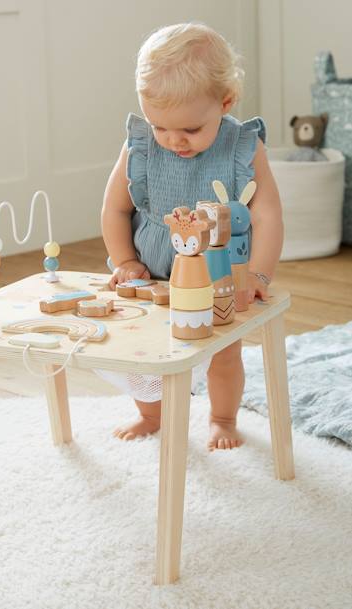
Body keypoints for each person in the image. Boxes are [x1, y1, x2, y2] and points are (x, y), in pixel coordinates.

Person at [100, 22, 283, 450]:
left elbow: (269, 215)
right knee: (144, 351)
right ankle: (151, 413)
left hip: (220, 281)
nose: (172, 140)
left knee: (223, 354)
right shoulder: (142, 145)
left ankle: (222, 418)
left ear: (225, 102)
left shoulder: (243, 146)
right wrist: (125, 261)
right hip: (152, 278)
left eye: (189, 130)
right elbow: (115, 208)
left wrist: (259, 275)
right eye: (159, 126)